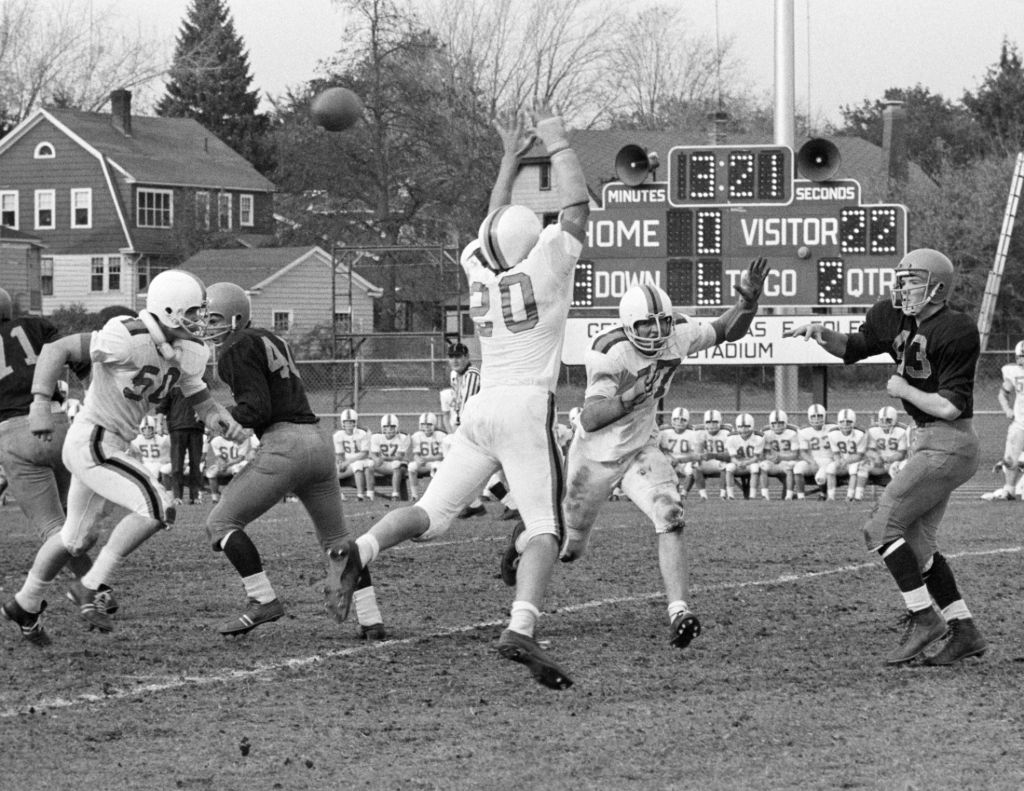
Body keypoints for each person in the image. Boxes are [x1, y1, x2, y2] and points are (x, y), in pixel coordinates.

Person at [324, 104, 589, 689]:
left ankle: (362, 548)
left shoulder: (478, 266)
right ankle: (521, 626)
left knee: (433, 514)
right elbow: (575, 208)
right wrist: (559, 144)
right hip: (523, 404)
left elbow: (491, 224)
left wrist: (510, 159)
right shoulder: (543, 265)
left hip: (480, 405)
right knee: (547, 529)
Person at [2, 270, 245, 643]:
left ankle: (25, 602)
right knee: (159, 506)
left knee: (74, 538)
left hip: (111, 442)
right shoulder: (128, 336)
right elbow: (57, 349)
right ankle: (91, 586)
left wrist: (216, 415)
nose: (201, 321)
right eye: (195, 312)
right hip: (94, 438)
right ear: (169, 311)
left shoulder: (190, 349)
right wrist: (38, 403)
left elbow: (196, 391)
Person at [785, 248, 987, 665]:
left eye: (912, 281)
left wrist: (904, 390)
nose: (902, 288)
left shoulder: (957, 329)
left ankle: (923, 617)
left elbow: (950, 407)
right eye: (902, 280)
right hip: (929, 442)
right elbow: (855, 346)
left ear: (937, 288)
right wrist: (822, 333)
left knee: (879, 528)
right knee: (917, 542)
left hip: (950, 441)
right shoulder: (892, 317)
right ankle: (964, 629)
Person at [556, 260, 767, 650]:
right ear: (627, 325)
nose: (656, 331)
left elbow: (724, 331)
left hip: (640, 449)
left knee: (671, 515)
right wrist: (628, 398)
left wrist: (747, 305)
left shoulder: (679, 332)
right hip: (595, 457)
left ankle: (679, 612)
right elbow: (589, 417)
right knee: (569, 548)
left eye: (662, 322)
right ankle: (522, 545)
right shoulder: (609, 352)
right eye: (646, 325)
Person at [200, 282, 384, 639]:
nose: (208, 325)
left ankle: (262, 599)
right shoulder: (270, 338)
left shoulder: (234, 347)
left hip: (286, 445)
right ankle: (371, 618)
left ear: (236, 319)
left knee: (220, 523)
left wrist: (218, 418)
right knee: (338, 541)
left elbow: (257, 408)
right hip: (318, 440)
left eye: (215, 318)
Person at [0, 287, 115, 644]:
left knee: (54, 528)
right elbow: (82, 363)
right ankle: (92, 586)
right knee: (74, 519)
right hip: (57, 423)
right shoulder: (33, 326)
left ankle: (87, 589)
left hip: (12, 435)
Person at [981, 339, 1024, 500]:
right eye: (1020, 356)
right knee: (1010, 457)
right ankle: (1009, 489)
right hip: (1020, 422)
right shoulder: (1013, 372)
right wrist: (1007, 409)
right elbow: (1002, 394)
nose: (1021, 360)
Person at [158, 385, 206, 505]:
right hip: (177, 427)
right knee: (177, 464)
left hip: (196, 427)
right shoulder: (171, 384)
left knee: (195, 463)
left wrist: (204, 413)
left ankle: (195, 496)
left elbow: (207, 401)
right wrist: (159, 423)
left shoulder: (200, 381)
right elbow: (162, 406)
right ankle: (177, 496)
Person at [853, 406, 908, 500]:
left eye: (888, 420)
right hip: (880, 462)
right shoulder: (873, 429)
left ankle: (896, 497)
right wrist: (876, 457)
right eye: (882, 420)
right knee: (863, 466)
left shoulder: (902, 430)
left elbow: (901, 453)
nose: (884, 423)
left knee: (895, 469)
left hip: (896, 462)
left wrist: (890, 459)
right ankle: (858, 496)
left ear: (894, 420)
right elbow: (869, 450)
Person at [793, 404, 834, 500]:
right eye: (813, 416)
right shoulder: (804, 431)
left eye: (819, 416)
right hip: (813, 460)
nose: (816, 419)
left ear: (824, 416)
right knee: (797, 469)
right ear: (809, 417)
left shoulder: (833, 428)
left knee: (820, 477)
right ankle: (801, 497)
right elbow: (803, 452)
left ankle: (823, 494)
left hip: (828, 459)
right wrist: (811, 462)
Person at [658, 407, 700, 497]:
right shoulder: (664, 431)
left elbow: (696, 454)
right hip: (670, 459)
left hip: (686, 460)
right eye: (676, 419)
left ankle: (683, 493)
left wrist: (681, 460)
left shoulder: (693, 433)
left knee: (693, 468)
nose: (679, 422)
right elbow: (660, 448)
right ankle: (670, 492)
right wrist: (669, 457)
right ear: (672, 420)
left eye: (683, 420)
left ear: (687, 421)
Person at [825, 409, 866, 501]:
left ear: (854, 422)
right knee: (830, 468)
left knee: (854, 469)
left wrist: (846, 461)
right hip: (841, 460)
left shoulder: (861, 433)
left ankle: (849, 495)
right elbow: (835, 453)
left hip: (855, 461)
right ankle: (830, 496)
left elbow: (859, 455)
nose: (845, 424)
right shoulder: (832, 433)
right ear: (838, 422)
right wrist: (838, 461)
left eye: (848, 422)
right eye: (842, 422)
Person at [367, 414, 410, 501]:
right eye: (386, 427)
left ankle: (395, 494)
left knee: (396, 464)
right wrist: (376, 459)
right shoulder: (376, 436)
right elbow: (373, 454)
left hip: (397, 464)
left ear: (397, 427)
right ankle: (369, 494)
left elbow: (399, 456)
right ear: (382, 428)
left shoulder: (403, 437)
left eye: (392, 427)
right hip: (383, 463)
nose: (389, 430)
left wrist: (382, 458)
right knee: (369, 465)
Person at [332, 409, 372, 500]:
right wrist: (341, 463)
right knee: (331, 471)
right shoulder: (338, 435)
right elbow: (339, 454)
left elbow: (365, 453)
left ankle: (360, 495)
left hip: (362, 461)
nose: (349, 425)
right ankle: (339, 494)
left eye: (351, 422)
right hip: (348, 463)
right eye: (347, 422)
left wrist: (347, 462)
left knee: (357, 465)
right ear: (343, 423)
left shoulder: (362, 433)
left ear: (355, 422)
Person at [760, 410, 799, 500]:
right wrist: (770, 458)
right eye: (774, 424)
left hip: (788, 460)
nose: (777, 426)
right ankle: (765, 496)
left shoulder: (792, 432)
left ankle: (788, 496)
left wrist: (781, 457)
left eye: (780, 423)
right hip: (773, 462)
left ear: (785, 423)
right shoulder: (766, 432)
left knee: (789, 468)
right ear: (770, 424)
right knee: (763, 467)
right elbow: (765, 453)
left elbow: (795, 454)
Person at [693, 410, 732, 500]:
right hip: (708, 460)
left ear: (720, 422)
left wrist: (715, 455)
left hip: (722, 460)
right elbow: (698, 451)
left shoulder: (726, 432)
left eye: (715, 422)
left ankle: (723, 494)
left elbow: (729, 455)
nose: (711, 425)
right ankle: (703, 495)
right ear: (704, 423)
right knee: (695, 466)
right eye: (708, 422)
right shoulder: (700, 432)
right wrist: (698, 458)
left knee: (726, 466)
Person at [407, 412, 447, 501]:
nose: (426, 428)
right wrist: (418, 460)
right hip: (424, 463)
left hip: (436, 462)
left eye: (429, 425)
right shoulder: (417, 436)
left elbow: (441, 456)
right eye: (424, 425)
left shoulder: (441, 435)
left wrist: (425, 459)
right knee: (411, 467)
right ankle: (414, 495)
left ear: (434, 425)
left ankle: (434, 495)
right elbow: (416, 454)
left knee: (436, 467)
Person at [724, 413, 764, 500]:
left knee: (755, 467)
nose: (743, 430)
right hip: (737, 463)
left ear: (752, 426)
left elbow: (757, 457)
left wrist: (746, 462)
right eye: (741, 427)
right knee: (729, 467)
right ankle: (730, 495)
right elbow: (732, 457)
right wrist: (738, 462)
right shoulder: (731, 437)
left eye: (746, 427)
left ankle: (752, 495)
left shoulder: (759, 437)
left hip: (751, 463)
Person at [130, 415, 172, 487]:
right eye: (144, 428)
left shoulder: (162, 438)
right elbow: (130, 452)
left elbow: (175, 446)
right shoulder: (137, 440)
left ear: (154, 428)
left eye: (149, 428)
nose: (147, 431)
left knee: (157, 473)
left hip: (160, 463)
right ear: (141, 429)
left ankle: (167, 491)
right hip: (146, 463)